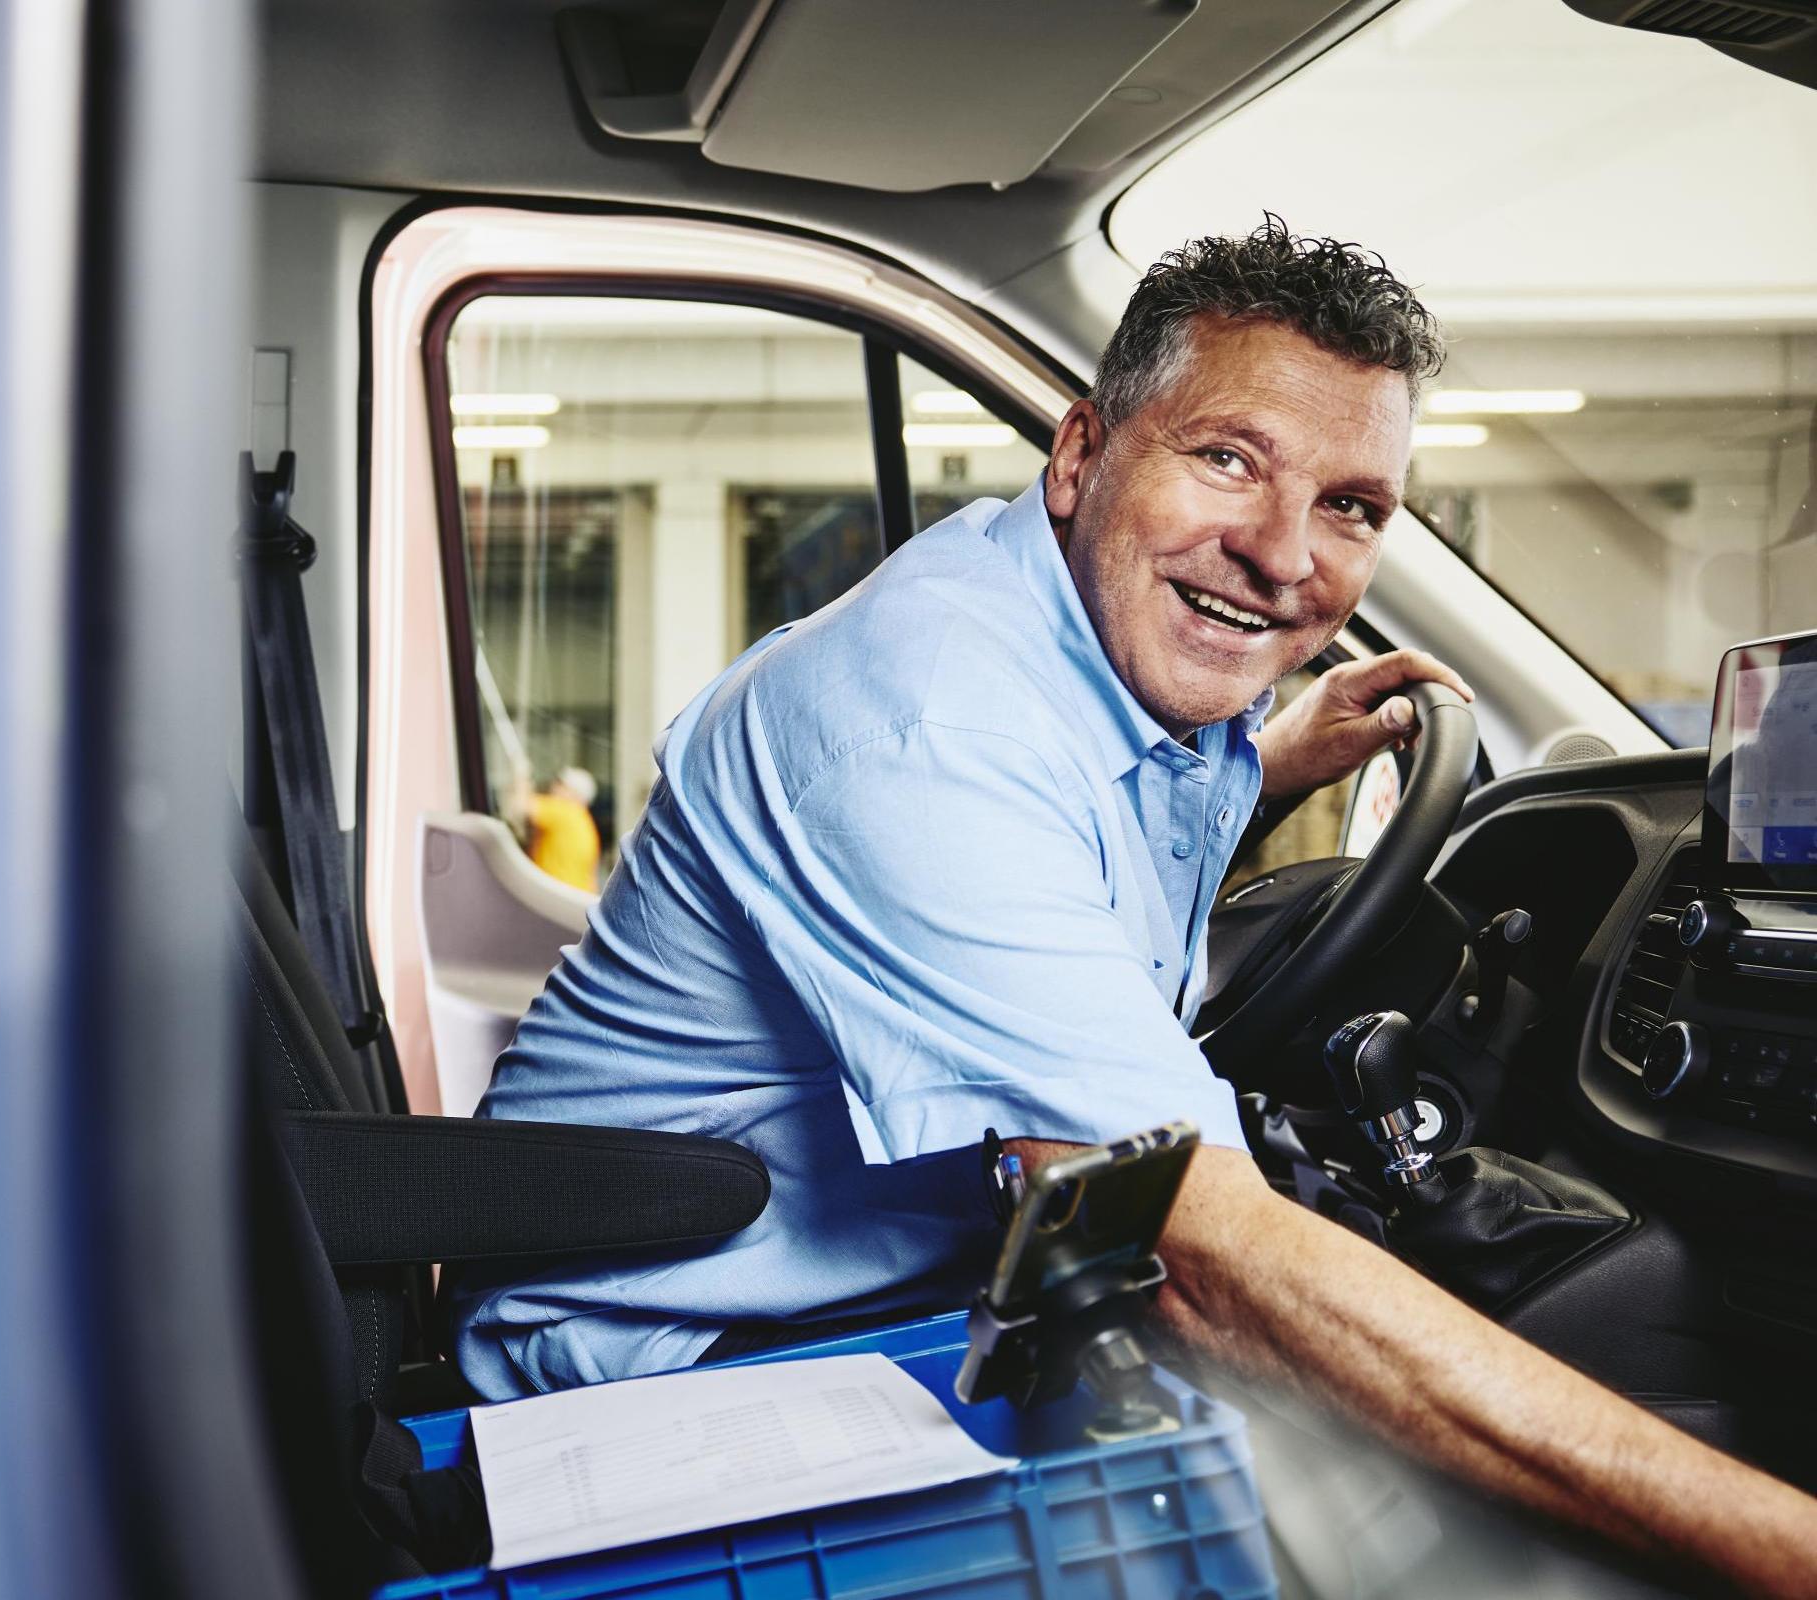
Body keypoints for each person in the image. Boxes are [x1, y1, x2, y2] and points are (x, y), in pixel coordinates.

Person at [452, 219, 1817, 1587]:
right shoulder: (924, 723)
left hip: (858, 1304)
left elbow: (1081, 840)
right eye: (1228, 458)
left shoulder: (1067, 654)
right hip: (654, 1379)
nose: (1286, 557)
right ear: (1081, 454)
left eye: (1350, 505)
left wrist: (1277, 762)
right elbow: (1206, 1270)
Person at [525, 767, 604, 891]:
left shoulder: (565, 811)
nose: (554, 787)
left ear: (575, 794)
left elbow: (520, 805)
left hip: (555, 898)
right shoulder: (586, 822)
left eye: (561, 784)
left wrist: (522, 774)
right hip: (576, 900)